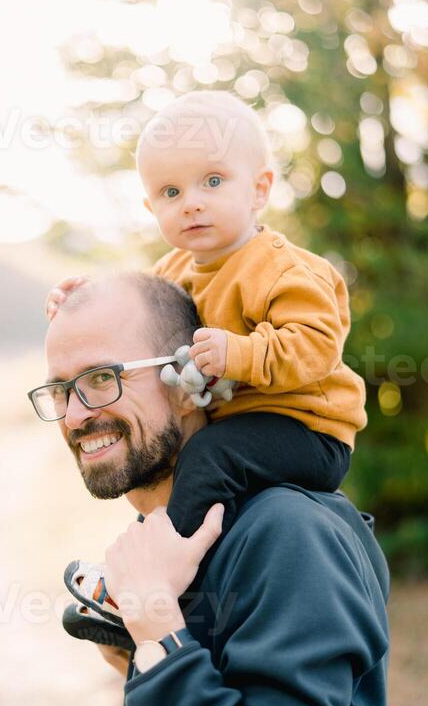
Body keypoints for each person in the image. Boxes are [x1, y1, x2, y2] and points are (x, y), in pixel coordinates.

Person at [28, 272, 390, 706]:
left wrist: (158, 634)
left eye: (101, 379)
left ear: (191, 379)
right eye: (60, 390)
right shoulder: (178, 547)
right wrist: (145, 652)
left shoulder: (288, 536)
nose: (75, 415)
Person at [46, 90, 367, 547]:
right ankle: (153, 566)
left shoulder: (285, 269)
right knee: (171, 469)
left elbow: (316, 349)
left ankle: (168, 568)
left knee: (207, 460)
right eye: (171, 192)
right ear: (151, 208)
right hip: (237, 427)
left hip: (306, 429)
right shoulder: (173, 269)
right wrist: (79, 297)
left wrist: (237, 353)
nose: (191, 202)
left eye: (212, 181)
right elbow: (134, 308)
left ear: (259, 189)